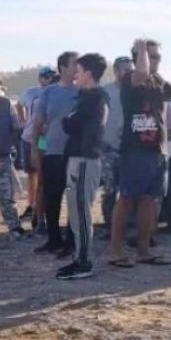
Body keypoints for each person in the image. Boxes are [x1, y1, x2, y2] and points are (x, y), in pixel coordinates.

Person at [108, 38, 171, 268]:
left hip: (157, 150)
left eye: (158, 57)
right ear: (140, 56)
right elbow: (141, 73)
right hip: (135, 150)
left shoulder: (157, 80)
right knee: (126, 200)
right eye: (153, 56)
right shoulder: (131, 78)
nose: (157, 61)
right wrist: (142, 47)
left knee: (149, 201)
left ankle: (143, 251)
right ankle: (115, 251)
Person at [58, 54, 109, 280]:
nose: (75, 75)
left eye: (78, 70)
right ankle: (79, 257)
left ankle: (84, 261)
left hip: (85, 160)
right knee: (76, 213)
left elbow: (71, 123)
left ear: (88, 73)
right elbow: (69, 122)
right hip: (78, 159)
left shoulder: (95, 98)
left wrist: (70, 121)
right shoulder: (86, 97)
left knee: (82, 212)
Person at [32, 52, 80, 257]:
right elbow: (38, 123)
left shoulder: (82, 92)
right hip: (52, 152)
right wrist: (36, 149)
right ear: (62, 67)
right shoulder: (49, 93)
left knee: (73, 198)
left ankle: (71, 240)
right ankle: (53, 239)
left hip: (75, 153)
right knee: (52, 197)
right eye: (74, 65)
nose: (77, 69)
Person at [0, 79, 27, 239]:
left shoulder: (6, 103)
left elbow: (16, 128)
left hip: (3, 157)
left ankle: (14, 226)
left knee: (7, 196)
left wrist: (9, 146)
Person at [100, 57, 134, 235]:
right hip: (108, 150)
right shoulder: (106, 92)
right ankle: (108, 227)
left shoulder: (136, 92)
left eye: (131, 69)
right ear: (116, 71)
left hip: (129, 150)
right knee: (109, 189)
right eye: (125, 69)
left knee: (129, 191)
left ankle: (125, 227)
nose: (129, 73)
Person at [20, 67, 57, 227]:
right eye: (46, 77)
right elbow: (20, 106)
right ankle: (34, 208)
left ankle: (40, 212)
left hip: (48, 140)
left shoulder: (55, 94)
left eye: (51, 77)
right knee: (34, 174)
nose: (49, 80)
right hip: (35, 139)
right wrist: (23, 122)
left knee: (45, 177)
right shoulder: (33, 94)